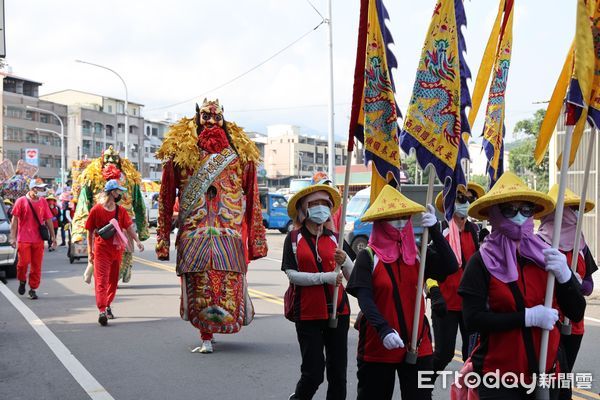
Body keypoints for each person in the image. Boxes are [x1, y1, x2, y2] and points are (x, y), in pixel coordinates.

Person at [459, 172, 586, 399]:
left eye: (525, 209)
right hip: (499, 377)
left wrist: (566, 277)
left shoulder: (547, 254)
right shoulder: (480, 261)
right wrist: (527, 317)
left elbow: (576, 312)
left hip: (550, 373)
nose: (519, 216)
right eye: (510, 209)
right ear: (493, 214)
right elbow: (473, 319)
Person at [156, 99, 267, 353]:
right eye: (206, 117)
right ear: (197, 119)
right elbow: (165, 197)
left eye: (216, 118)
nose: (211, 122)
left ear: (224, 120)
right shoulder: (179, 154)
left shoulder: (241, 155)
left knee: (228, 282)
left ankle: (216, 328)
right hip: (194, 233)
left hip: (229, 234)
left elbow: (253, 197)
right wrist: (162, 240)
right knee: (200, 284)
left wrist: (256, 242)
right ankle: (205, 334)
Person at [346, 185, 458, 400]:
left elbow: (451, 265)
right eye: (392, 218)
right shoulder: (368, 257)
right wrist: (384, 329)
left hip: (418, 341)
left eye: (403, 218)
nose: (399, 224)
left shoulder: (418, 253)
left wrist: (435, 228)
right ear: (379, 222)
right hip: (379, 343)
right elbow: (365, 299)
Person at [282, 181, 355, 400]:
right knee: (313, 373)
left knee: (338, 373)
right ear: (304, 209)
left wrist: (347, 261)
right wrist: (326, 278)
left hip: (339, 313)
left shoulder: (336, 238)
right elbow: (292, 275)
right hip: (307, 313)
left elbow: (354, 277)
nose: (321, 207)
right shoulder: (293, 239)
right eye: (315, 203)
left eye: (325, 203)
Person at [537, 185, 597, 400]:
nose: (573, 214)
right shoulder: (540, 242)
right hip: (548, 322)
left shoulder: (581, 245)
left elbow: (589, 286)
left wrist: (574, 281)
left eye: (575, 209)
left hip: (575, 324)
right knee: (551, 377)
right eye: (567, 208)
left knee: (564, 375)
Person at [428, 182, 485, 380]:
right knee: (444, 354)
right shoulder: (439, 232)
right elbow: (426, 272)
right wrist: (434, 294)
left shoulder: (476, 232)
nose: (466, 203)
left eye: (470, 199)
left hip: (470, 305)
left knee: (472, 356)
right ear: (451, 202)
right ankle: (421, 389)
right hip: (445, 303)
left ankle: (468, 393)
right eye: (461, 198)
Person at [71, 146, 149, 283]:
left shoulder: (130, 178)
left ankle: (113, 278)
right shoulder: (92, 176)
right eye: (108, 158)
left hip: (123, 223)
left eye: (114, 158)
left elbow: (139, 204)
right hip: (102, 224)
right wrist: (79, 230)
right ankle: (98, 273)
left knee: (125, 252)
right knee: (101, 253)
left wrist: (142, 232)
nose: (111, 161)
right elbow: (83, 203)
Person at [85, 179, 144, 326]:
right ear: (112, 192)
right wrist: (89, 251)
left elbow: (129, 227)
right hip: (101, 251)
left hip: (117, 251)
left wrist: (137, 241)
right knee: (101, 281)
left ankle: (107, 304)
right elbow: (89, 231)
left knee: (112, 281)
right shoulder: (96, 210)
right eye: (119, 191)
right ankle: (102, 310)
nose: (121, 194)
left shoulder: (121, 211)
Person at [9, 179, 57, 299]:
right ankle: (22, 280)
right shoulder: (21, 201)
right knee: (23, 264)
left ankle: (33, 288)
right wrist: (12, 237)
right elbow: (14, 221)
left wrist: (53, 237)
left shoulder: (43, 202)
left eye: (42, 188)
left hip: (38, 239)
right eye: (39, 188)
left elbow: (48, 219)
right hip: (23, 239)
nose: (42, 191)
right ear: (33, 188)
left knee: (37, 266)